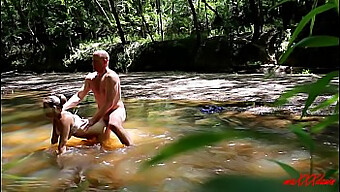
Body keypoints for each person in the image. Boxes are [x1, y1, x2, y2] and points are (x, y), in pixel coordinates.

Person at [62, 50, 133, 146]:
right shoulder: (90, 78)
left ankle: (131, 147)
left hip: (115, 110)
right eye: (92, 61)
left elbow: (109, 103)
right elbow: (79, 96)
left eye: (96, 61)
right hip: (102, 112)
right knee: (100, 142)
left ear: (105, 61)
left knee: (114, 125)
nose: (93, 64)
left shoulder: (111, 77)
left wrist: (93, 120)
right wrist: (63, 107)